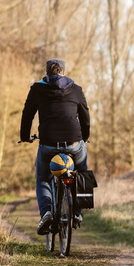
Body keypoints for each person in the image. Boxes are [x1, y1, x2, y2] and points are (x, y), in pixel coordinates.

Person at [20, 58, 90, 234]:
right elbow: (85, 116)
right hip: (74, 143)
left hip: (48, 143)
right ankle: (79, 212)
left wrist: (25, 137)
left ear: (47, 73)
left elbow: (27, 114)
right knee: (82, 173)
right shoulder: (76, 89)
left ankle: (47, 213)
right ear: (64, 72)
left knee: (43, 178)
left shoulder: (37, 89)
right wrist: (85, 136)